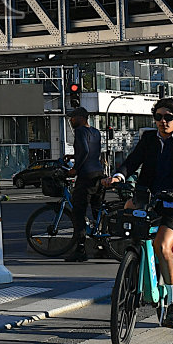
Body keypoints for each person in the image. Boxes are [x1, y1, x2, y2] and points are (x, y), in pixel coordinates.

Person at [116, 97, 173, 328]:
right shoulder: (148, 139)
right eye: (158, 117)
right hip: (151, 200)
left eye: (168, 117)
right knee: (127, 208)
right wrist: (119, 175)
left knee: (163, 245)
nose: (163, 121)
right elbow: (132, 161)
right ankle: (133, 258)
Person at [65, 105, 108, 262]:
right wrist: (71, 156)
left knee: (79, 212)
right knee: (97, 212)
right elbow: (92, 152)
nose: (71, 120)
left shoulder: (80, 131)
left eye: (73, 117)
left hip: (86, 176)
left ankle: (80, 250)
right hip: (98, 174)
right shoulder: (96, 132)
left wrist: (75, 168)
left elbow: (84, 151)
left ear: (82, 118)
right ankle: (102, 246)